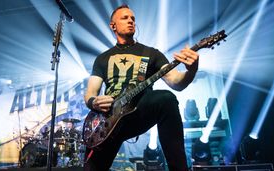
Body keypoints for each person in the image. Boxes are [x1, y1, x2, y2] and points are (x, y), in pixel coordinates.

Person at [84, 4, 199, 171]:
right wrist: (94, 102)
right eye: (125, 18)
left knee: (166, 99)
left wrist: (191, 70)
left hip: (138, 110)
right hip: (108, 120)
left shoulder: (152, 53)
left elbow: (176, 82)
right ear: (113, 25)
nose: (131, 21)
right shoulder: (102, 58)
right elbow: (90, 94)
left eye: (133, 18)